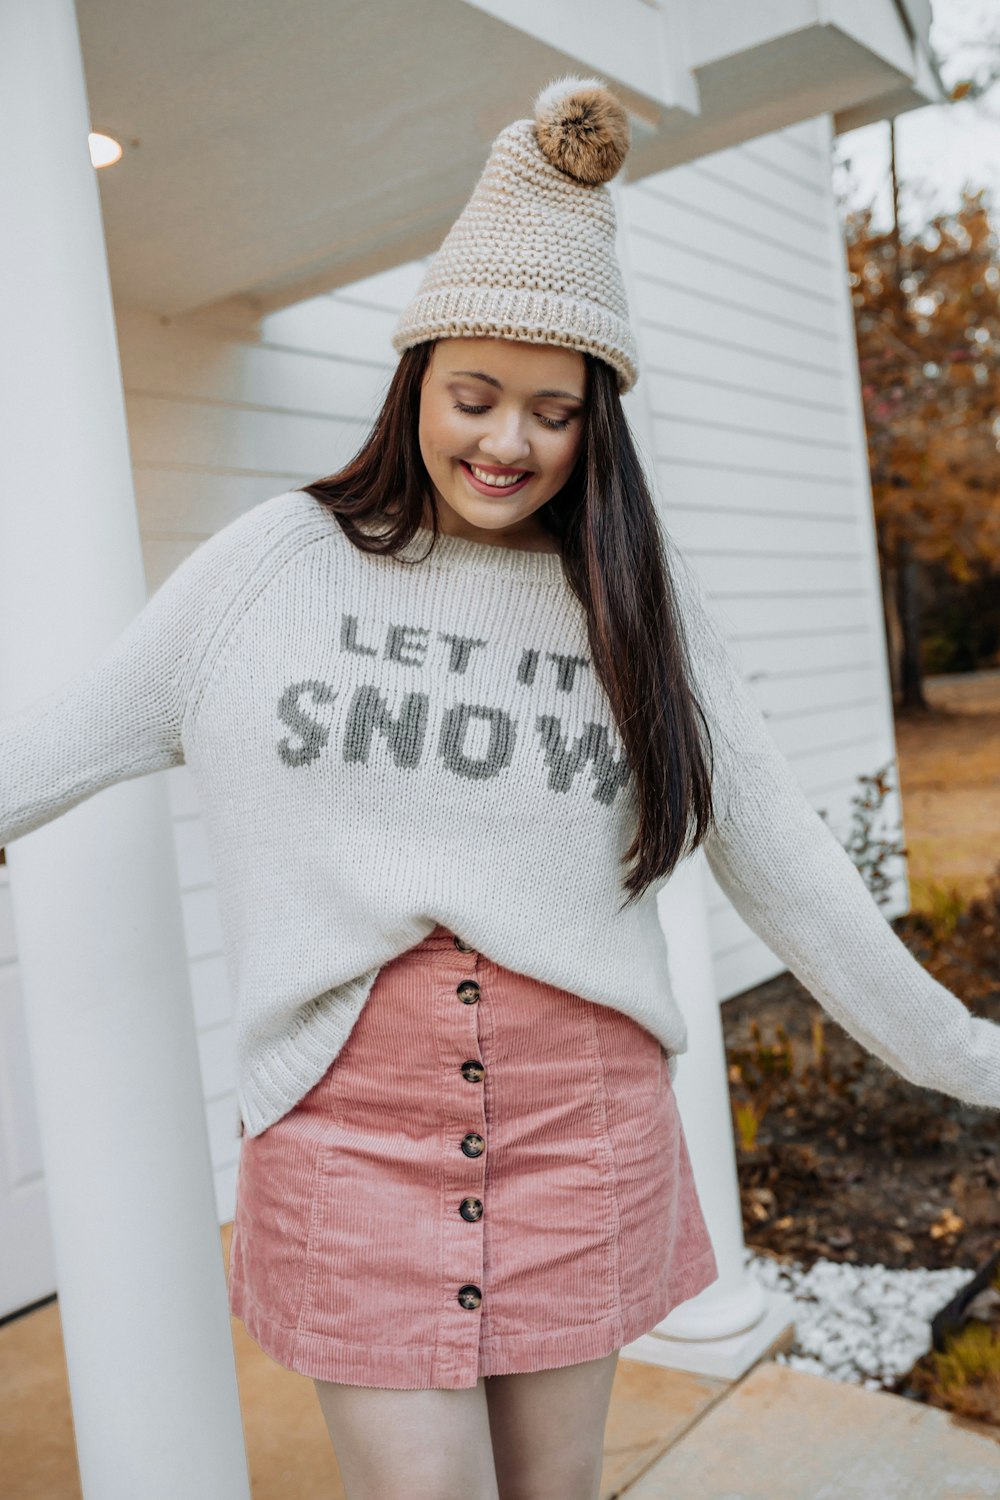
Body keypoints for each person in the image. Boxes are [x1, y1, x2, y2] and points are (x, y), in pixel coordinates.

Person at [1, 76, 998, 1500]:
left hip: (576, 1129)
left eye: (554, 411)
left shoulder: (639, 606)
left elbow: (789, 867)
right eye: (474, 397)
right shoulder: (272, 570)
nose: (508, 443)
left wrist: (965, 1055)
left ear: (599, 424)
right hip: (350, 1136)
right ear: (415, 380)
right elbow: (58, 744)